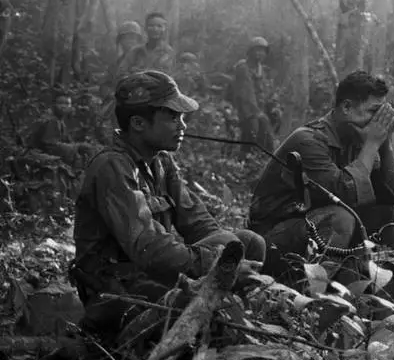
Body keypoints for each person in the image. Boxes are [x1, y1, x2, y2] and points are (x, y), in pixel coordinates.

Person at [70, 71, 265, 337]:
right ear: (138, 123)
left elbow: (197, 222)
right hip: (119, 289)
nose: (182, 125)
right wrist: (218, 266)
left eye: (182, 117)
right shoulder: (111, 167)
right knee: (214, 307)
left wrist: (227, 255)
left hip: (150, 273)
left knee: (248, 243)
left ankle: (230, 316)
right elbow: (149, 247)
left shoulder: (161, 161)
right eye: (173, 117)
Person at [248, 71, 394, 284]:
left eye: (382, 114)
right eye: (373, 112)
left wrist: (384, 142)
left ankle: (392, 286)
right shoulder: (308, 140)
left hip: (314, 231)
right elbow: (345, 193)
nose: (379, 121)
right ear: (347, 107)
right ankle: (312, 292)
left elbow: (391, 193)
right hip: (271, 241)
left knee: (389, 212)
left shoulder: (356, 137)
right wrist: (371, 145)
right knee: (340, 218)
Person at [232, 36, 281, 160]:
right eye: (257, 50)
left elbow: (266, 91)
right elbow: (246, 94)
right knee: (253, 132)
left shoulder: (262, 71)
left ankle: (259, 162)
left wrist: (274, 106)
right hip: (245, 109)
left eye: (263, 51)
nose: (260, 53)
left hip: (258, 109)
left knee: (267, 134)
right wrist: (258, 113)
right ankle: (245, 161)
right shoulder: (243, 67)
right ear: (250, 51)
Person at [28, 87, 94, 165]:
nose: (63, 106)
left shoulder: (60, 120)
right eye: (60, 103)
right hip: (41, 153)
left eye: (67, 103)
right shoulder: (51, 119)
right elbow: (50, 146)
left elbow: (66, 139)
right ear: (54, 104)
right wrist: (74, 148)